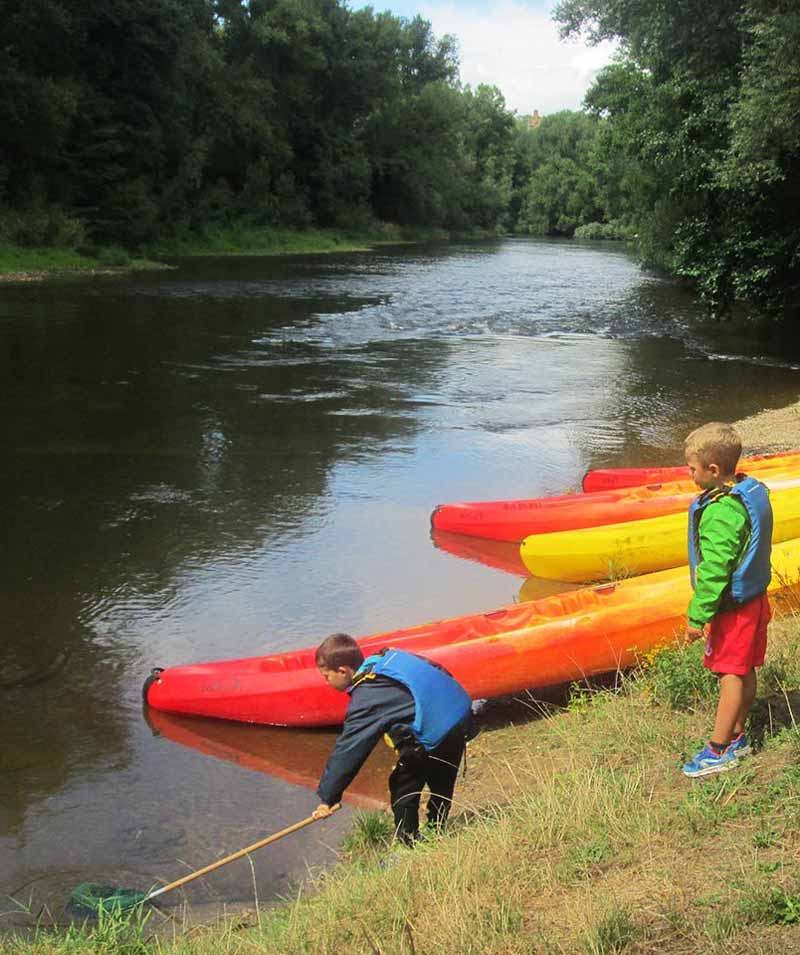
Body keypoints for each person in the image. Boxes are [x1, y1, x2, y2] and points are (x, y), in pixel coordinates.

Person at [311, 633, 474, 844]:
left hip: (435, 734)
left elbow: (349, 749)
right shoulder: (386, 658)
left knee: (403, 787)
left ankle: (408, 844)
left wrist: (328, 797)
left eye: (327, 676)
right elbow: (436, 670)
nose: (326, 682)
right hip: (458, 718)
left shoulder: (367, 697)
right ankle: (437, 828)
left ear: (343, 671)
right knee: (442, 782)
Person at [681, 422, 773, 778]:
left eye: (692, 469)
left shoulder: (720, 512)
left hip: (734, 610)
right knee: (744, 668)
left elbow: (715, 571)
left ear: (713, 470)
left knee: (729, 674)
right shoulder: (743, 492)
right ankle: (737, 735)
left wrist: (697, 616)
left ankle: (718, 750)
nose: (690, 475)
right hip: (754, 601)